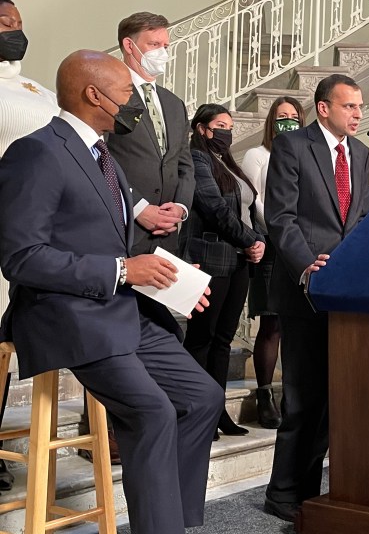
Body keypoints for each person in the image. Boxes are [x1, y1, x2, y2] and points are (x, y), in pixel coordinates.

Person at [0, 50, 223, 534]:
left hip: (124, 308)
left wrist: (175, 279)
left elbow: (118, 237)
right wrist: (125, 270)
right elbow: (20, 258)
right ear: (94, 95)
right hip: (67, 312)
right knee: (152, 411)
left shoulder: (102, 152)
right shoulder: (36, 152)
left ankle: (174, 523)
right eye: (126, 93)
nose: (133, 103)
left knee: (204, 397)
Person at [263, 73, 369, 522]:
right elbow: (280, 216)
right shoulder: (293, 146)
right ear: (324, 108)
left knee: (333, 397)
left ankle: (311, 490)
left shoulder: (361, 154)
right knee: (303, 398)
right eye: (350, 107)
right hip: (303, 287)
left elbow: (360, 216)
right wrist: (307, 264)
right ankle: (283, 492)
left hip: (345, 292)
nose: (359, 115)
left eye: (361, 107)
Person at [0, 0, 59, 490]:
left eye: (18, 21)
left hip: (31, 231)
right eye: (3, 21)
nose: (14, 29)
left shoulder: (33, 85)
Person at [181, 104, 265, 439]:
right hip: (213, 256)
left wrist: (257, 240)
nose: (227, 131)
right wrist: (249, 241)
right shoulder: (197, 159)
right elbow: (213, 208)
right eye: (220, 125)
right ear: (202, 129)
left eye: (230, 125)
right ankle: (197, 414)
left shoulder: (226, 162)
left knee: (223, 342)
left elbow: (248, 210)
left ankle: (217, 413)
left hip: (239, 260)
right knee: (201, 339)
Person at [107, 11, 194, 259]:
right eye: (154, 45)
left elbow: (184, 163)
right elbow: (99, 157)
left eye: (165, 46)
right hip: (123, 232)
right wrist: (137, 208)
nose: (162, 53)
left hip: (166, 239)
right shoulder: (109, 93)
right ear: (129, 45)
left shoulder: (174, 103)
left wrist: (180, 207)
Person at [241, 96, 305, 429]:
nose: (288, 122)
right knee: (271, 324)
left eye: (294, 117)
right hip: (272, 245)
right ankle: (264, 394)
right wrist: (284, 231)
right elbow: (255, 201)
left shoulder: (306, 155)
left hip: (300, 250)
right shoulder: (258, 155)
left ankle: (292, 395)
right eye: (282, 117)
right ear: (271, 122)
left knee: (297, 324)